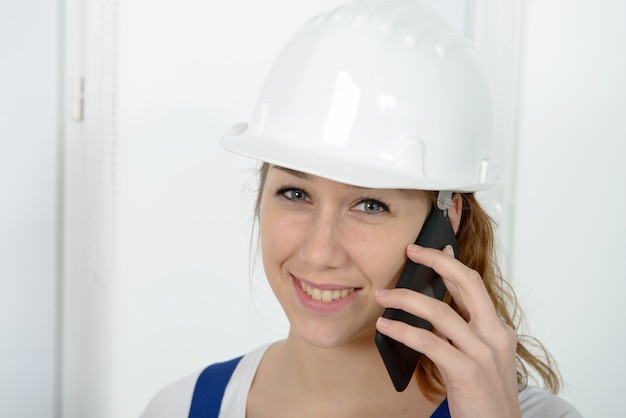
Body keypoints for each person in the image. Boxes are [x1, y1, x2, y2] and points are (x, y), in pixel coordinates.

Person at [142, 1, 582, 416]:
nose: (319, 252)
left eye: (369, 204)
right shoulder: (180, 407)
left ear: (442, 224)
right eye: (296, 194)